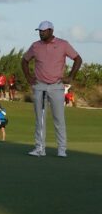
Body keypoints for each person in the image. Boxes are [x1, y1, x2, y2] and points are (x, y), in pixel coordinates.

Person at [21, 21, 82, 158]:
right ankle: (39, 148)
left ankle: (62, 149)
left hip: (56, 86)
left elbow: (78, 59)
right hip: (39, 86)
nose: (41, 33)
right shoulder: (35, 46)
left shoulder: (63, 44)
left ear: (51, 31)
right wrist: (28, 77)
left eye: (43, 31)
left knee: (59, 119)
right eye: (40, 31)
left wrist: (71, 76)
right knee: (40, 119)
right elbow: (24, 61)